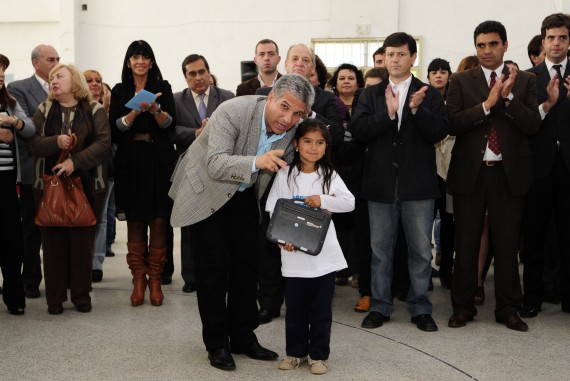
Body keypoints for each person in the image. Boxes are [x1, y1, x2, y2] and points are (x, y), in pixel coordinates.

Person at [169, 74, 315, 371]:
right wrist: (255, 162)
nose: (289, 119)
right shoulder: (233, 111)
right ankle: (217, 343)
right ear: (271, 97)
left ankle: (242, 337)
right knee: (212, 271)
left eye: (298, 113)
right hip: (207, 188)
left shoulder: (293, 127)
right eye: (285, 107)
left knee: (247, 267)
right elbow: (216, 163)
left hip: (245, 194)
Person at [349, 32, 449, 332]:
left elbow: (440, 131)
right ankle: (380, 306)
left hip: (417, 184)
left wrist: (416, 111)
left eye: (401, 54)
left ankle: (420, 307)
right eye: (390, 54)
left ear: (413, 58)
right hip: (379, 183)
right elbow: (358, 129)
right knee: (380, 250)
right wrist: (389, 114)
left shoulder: (428, 93)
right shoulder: (370, 94)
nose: (395, 59)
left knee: (420, 249)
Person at [446, 20, 540, 332]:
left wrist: (509, 98)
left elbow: (532, 125)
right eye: (481, 45)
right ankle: (462, 306)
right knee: (466, 242)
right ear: (475, 48)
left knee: (507, 244)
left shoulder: (525, 80)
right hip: (470, 174)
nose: (487, 50)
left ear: (505, 44)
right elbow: (453, 123)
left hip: (509, 173)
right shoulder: (460, 80)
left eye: (493, 44)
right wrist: (487, 105)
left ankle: (508, 308)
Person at [256, 44, 344, 324]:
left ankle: (312, 294)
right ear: (286, 62)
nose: (300, 63)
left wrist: (307, 113)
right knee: (273, 242)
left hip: (311, 181)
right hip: (273, 178)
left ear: (313, 67)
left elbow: (338, 132)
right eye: (295, 58)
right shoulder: (265, 94)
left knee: (308, 239)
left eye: (306, 60)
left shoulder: (325, 100)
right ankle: (269, 302)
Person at [266, 119, 354, 375]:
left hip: (323, 257)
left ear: (326, 147)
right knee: (294, 310)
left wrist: (324, 200)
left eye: (319, 143)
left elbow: (349, 202)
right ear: (296, 144)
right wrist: (282, 239)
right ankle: (295, 353)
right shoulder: (285, 174)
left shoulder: (330, 175)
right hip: (293, 257)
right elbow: (273, 207)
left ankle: (318, 356)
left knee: (320, 310)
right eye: (307, 141)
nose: (313, 148)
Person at [28, 63, 110, 315]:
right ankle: (54, 300)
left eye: (59, 76)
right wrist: (56, 142)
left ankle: (81, 297)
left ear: (74, 81)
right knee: (52, 246)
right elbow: (33, 143)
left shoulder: (94, 109)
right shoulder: (44, 108)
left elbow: (103, 143)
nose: (53, 80)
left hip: (88, 186)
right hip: (48, 186)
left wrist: (74, 162)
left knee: (81, 246)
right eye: (51, 77)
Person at [109, 40, 177, 307]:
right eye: (135, 57)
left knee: (160, 221)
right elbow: (116, 128)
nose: (140, 61)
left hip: (158, 159)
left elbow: (171, 125)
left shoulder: (163, 88)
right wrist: (136, 112)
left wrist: (156, 110)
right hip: (131, 161)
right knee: (136, 221)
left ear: (151, 61)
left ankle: (156, 281)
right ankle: (139, 280)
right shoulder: (119, 90)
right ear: (128, 62)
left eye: (145, 57)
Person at [170, 54, 234, 293]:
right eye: (192, 74)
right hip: (190, 169)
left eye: (201, 72)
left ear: (209, 72)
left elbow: (235, 128)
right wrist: (197, 132)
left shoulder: (227, 97)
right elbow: (172, 132)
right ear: (185, 77)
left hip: (221, 168)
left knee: (221, 223)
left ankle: (222, 273)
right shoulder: (177, 100)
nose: (198, 78)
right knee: (190, 223)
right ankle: (192, 277)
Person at [522, 13, 570, 318]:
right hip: (538, 169)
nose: (556, 43)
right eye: (551, 37)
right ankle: (532, 298)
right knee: (534, 237)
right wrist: (546, 105)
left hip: (569, 168)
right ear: (543, 41)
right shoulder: (529, 78)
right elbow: (525, 125)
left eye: (563, 37)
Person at [7, 44, 60, 299]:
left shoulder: (65, 86)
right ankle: (30, 280)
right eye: (51, 59)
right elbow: (30, 129)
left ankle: (61, 279)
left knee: (61, 225)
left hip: (61, 168)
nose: (56, 63)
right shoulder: (18, 88)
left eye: (58, 59)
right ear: (35, 63)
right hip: (32, 168)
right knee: (31, 228)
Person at [0, 54, 34, 315]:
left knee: (12, 240)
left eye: (3, 72)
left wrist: (15, 123)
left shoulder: (10, 103)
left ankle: (14, 297)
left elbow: (30, 128)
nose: (1, 76)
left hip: (9, 181)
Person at [83, 69, 113, 283]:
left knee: (101, 218)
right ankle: (80, 260)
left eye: (98, 81)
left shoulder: (110, 109)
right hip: (82, 170)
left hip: (106, 170)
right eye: (89, 81)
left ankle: (96, 263)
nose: (95, 84)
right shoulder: (77, 109)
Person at [427, 58, 455, 289]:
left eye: (443, 72)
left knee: (448, 222)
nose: (438, 76)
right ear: (427, 77)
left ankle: (447, 269)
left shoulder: (455, 99)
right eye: (434, 72)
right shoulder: (423, 98)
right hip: (427, 170)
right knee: (424, 222)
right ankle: (424, 273)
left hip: (451, 172)